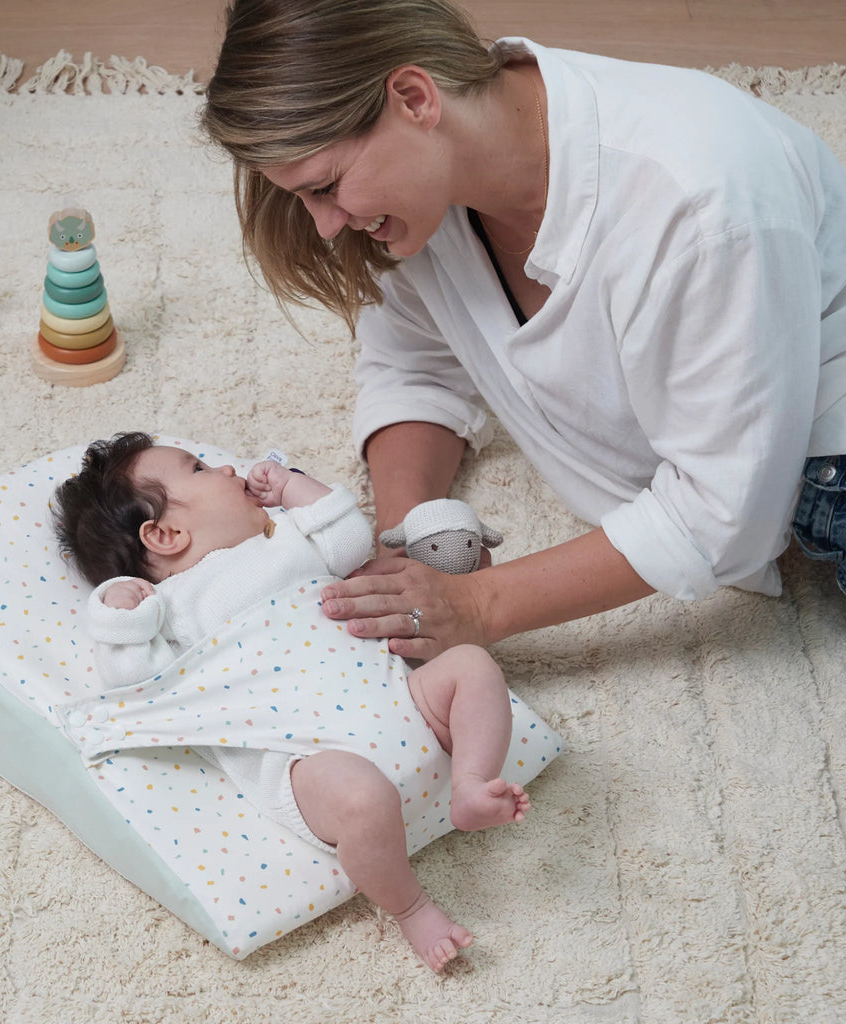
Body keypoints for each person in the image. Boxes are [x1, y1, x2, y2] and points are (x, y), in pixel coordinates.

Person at [200, 0, 846, 662]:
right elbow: (413, 370)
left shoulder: (697, 202)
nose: (326, 225)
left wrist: (479, 606)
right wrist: (408, 542)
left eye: (327, 187)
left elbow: (726, 511)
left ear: (415, 98)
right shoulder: (425, 193)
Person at [52, 432, 530, 971]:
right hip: (310, 759)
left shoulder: (284, 539)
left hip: (405, 702)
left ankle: (469, 782)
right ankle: (412, 906)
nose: (230, 471)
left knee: (472, 667)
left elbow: (349, 538)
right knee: (362, 799)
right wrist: (120, 611)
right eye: (202, 468)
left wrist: (294, 487)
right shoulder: (171, 606)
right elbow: (133, 676)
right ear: (164, 534)